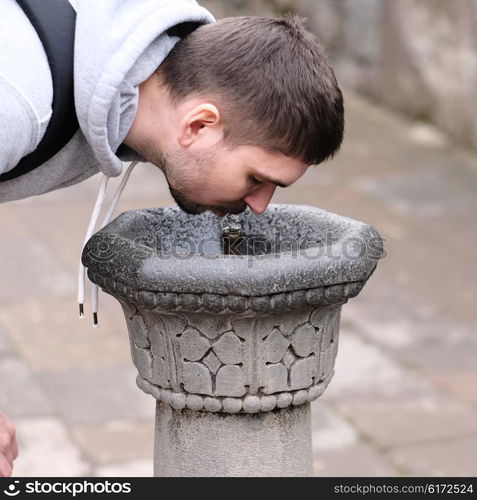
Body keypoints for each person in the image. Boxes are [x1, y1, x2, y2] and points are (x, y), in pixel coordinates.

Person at [0, 0, 344, 477]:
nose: (261, 205)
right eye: (256, 178)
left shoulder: (138, 66)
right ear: (199, 125)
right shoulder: (19, 102)